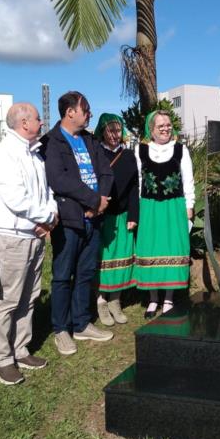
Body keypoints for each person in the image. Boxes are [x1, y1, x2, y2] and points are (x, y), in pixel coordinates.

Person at [0, 103, 58, 385]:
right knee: (9, 299)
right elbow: (16, 199)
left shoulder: (33, 153)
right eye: (38, 118)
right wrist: (49, 216)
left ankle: (21, 348)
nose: (42, 122)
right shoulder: (5, 153)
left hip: (34, 233)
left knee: (29, 296)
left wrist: (50, 216)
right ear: (24, 123)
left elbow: (47, 191)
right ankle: (1, 358)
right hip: (12, 235)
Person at [40, 91, 114, 355]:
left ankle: (81, 323)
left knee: (84, 273)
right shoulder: (51, 142)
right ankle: (61, 329)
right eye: (86, 109)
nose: (89, 113)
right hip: (70, 220)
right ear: (70, 112)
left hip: (94, 218)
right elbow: (58, 180)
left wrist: (101, 200)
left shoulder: (90, 140)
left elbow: (106, 171)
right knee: (62, 276)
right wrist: (93, 200)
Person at [134, 110, 195, 317]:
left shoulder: (180, 150)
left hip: (174, 206)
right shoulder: (140, 150)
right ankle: (153, 299)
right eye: (160, 126)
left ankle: (168, 299)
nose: (165, 129)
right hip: (149, 207)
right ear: (151, 130)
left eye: (168, 125)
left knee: (172, 249)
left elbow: (188, 180)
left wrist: (190, 206)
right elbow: (139, 182)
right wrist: (138, 210)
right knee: (151, 249)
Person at [94, 113, 139, 326]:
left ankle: (115, 300)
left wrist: (133, 214)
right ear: (102, 130)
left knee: (121, 257)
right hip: (102, 216)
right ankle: (101, 300)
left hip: (122, 216)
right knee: (103, 259)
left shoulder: (128, 155)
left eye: (118, 130)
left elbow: (133, 187)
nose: (114, 134)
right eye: (110, 130)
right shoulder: (95, 152)